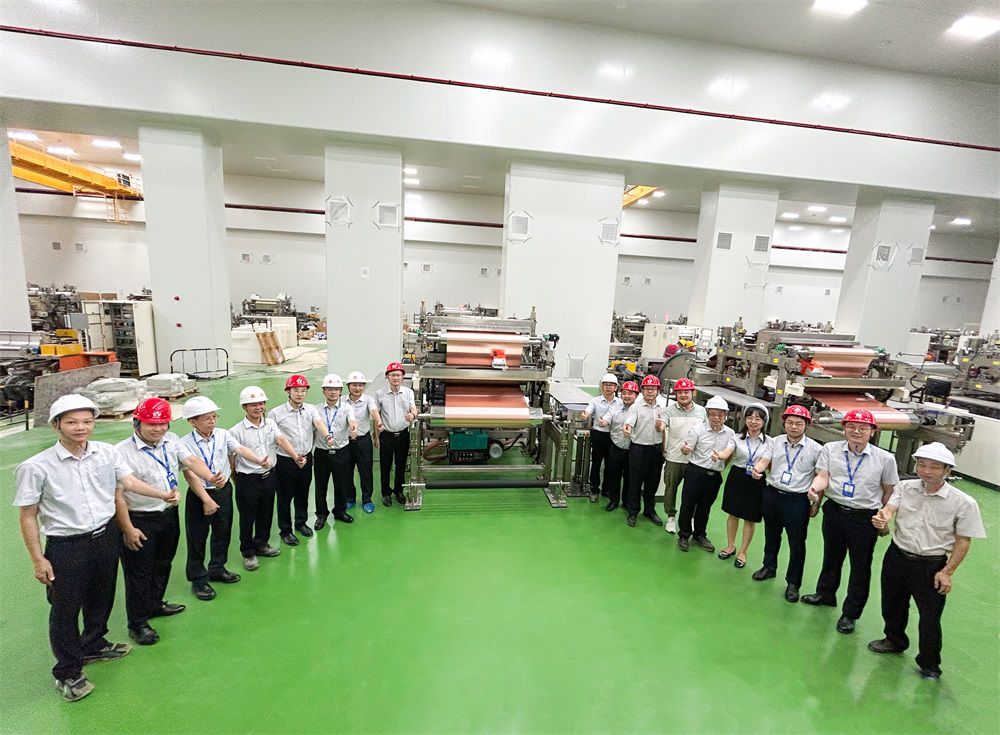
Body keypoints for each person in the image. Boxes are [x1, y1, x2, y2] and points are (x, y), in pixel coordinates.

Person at [14, 395, 179, 702]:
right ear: (56, 425)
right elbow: (27, 516)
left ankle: (93, 644)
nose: (81, 427)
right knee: (65, 609)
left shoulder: (106, 453)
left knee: (101, 596)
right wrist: (38, 559)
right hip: (67, 545)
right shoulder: (37, 467)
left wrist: (162, 495)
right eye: (72, 422)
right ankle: (67, 671)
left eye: (87, 421)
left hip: (105, 536)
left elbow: (129, 482)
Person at [868, 443, 985, 680]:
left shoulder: (963, 502)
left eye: (934, 467)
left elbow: (963, 540)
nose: (926, 471)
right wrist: (883, 517)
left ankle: (929, 663)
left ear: (947, 470)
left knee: (930, 616)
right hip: (897, 556)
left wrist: (947, 572)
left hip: (931, 565)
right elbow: (890, 507)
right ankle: (894, 640)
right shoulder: (905, 487)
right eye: (921, 465)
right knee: (892, 603)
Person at [114, 397, 216, 646]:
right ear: (137, 423)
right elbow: (119, 494)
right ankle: (137, 623)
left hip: (168, 514)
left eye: (163, 424)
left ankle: (155, 604)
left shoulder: (171, 440)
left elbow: (190, 461)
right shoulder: (121, 452)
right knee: (138, 573)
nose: (158, 429)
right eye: (151, 424)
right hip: (140, 518)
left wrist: (211, 477)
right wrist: (127, 528)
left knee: (162, 564)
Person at [801, 409, 899, 634]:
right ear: (844, 428)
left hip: (864, 517)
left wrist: (883, 519)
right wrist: (814, 489)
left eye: (863, 428)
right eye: (851, 426)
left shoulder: (885, 459)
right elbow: (823, 476)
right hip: (834, 510)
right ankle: (825, 594)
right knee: (831, 556)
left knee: (860, 567)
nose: (856, 431)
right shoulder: (830, 449)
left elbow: (889, 491)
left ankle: (851, 613)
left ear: (873, 432)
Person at [180, 396, 270, 601]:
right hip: (200, 494)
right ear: (192, 421)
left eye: (214, 416)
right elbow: (190, 474)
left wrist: (258, 460)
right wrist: (206, 499)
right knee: (197, 538)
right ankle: (198, 580)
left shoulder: (222, 434)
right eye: (207, 418)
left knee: (222, 532)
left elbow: (239, 449)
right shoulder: (184, 444)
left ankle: (217, 568)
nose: (212, 421)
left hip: (223, 491)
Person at [752, 405, 822, 603]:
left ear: (807, 425)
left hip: (797, 500)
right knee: (771, 534)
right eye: (790, 422)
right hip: (773, 494)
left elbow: (821, 476)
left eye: (799, 423)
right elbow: (764, 460)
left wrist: (815, 504)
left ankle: (793, 583)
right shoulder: (775, 442)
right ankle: (769, 567)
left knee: (796, 543)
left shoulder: (816, 449)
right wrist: (758, 469)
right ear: (784, 423)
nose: (793, 426)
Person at [230, 386, 300, 570]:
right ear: (244, 407)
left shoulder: (270, 424)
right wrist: (234, 476)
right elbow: (232, 456)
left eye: (261, 403)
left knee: (266, 513)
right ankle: (248, 552)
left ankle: (261, 544)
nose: (258, 407)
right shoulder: (236, 431)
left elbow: (281, 440)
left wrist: (295, 456)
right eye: (253, 404)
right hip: (248, 479)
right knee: (247, 517)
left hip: (269, 477)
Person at [677, 395, 736, 552]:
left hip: (714, 476)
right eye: (713, 414)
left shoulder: (730, 434)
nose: (716, 418)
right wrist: (684, 449)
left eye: (720, 414)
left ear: (725, 415)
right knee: (688, 505)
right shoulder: (697, 430)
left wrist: (721, 467)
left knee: (705, 507)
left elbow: (729, 454)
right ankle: (684, 535)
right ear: (707, 414)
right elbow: (685, 450)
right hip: (695, 472)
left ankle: (700, 535)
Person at [718, 403, 770, 567]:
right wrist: (720, 455)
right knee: (733, 513)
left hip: (756, 479)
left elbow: (765, 460)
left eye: (758, 419)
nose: (753, 422)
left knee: (750, 518)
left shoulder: (769, 442)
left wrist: (758, 470)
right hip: (737, 477)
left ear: (764, 422)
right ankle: (730, 545)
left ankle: (743, 551)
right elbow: (728, 451)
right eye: (750, 418)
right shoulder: (736, 437)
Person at [267, 374, 317, 545]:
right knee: (284, 496)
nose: (300, 394)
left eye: (303, 390)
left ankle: (301, 523)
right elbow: (273, 438)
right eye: (296, 390)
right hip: (285, 461)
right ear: (288, 391)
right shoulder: (276, 413)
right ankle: (286, 530)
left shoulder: (310, 410)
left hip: (306, 458)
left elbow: (318, 425)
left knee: (303, 493)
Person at [312, 373, 358, 529]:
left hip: (341, 452)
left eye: (336, 389)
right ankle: (321, 515)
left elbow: (352, 420)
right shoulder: (315, 409)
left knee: (341, 484)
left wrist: (353, 427)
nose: (333, 392)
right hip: (322, 453)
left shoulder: (347, 408)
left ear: (340, 391)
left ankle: (340, 511)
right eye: (329, 389)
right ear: (323, 391)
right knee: (321, 486)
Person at [661, 378, 707, 534]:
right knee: (670, 489)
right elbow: (662, 425)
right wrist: (660, 425)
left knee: (693, 492)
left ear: (693, 393)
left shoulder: (702, 411)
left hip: (695, 460)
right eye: (679, 392)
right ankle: (671, 517)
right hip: (674, 458)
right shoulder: (668, 411)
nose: (683, 395)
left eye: (686, 392)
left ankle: (690, 518)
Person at [622, 375, 666, 528]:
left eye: (653, 389)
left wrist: (664, 448)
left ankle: (649, 510)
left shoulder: (662, 407)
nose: (650, 391)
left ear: (658, 391)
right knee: (635, 481)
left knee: (652, 483)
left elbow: (665, 428)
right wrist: (627, 428)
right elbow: (629, 423)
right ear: (642, 390)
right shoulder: (636, 407)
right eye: (647, 389)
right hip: (638, 449)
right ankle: (633, 512)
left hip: (656, 449)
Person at [376, 362, 417, 507]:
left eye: (398, 375)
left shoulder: (408, 393)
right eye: (392, 375)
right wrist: (376, 436)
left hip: (402, 435)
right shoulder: (380, 394)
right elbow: (377, 415)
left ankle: (399, 491)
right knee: (385, 466)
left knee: (401, 466)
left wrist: (413, 415)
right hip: (386, 436)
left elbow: (413, 408)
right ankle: (386, 493)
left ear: (402, 377)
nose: (395, 378)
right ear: (387, 376)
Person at [596, 380, 637, 511]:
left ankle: (626, 502)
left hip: (633, 449)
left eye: (630, 393)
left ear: (636, 395)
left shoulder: (639, 409)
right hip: (616, 447)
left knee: (630, 477)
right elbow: (607, 418)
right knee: (613, 475)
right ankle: (613, 500)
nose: (627, 396)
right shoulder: (615, 408)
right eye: (624, 393)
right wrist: (603, 422)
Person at [344, 371, 381, 514]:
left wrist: (379, 422)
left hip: (363, 441)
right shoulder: (341, 401)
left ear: (364, 387)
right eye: (354, 385)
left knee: (365, 471)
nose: (357, 388)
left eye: (360, 385)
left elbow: (374, 411)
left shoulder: (368, 400)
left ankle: (367, 499)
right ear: (348, 386)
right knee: (346, 471)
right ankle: (349, 498)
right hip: (345, 442)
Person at [581, 373, 622, 502]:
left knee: (611, 464)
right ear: (602, 386)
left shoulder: (620, 402)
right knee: (596, 463)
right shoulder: (596, 401)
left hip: (614, 436)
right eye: (606, 385)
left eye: (611, 385)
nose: (608, 387)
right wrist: (585, 414)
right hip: (599, 435)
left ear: (616, 387)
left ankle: (607, 489)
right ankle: (594, 489)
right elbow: (589, 410)